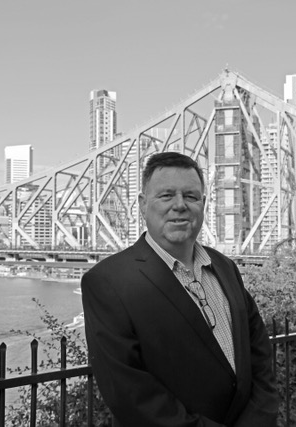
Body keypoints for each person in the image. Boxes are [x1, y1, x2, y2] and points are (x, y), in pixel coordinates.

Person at [81, 152, 279, 426]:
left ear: (203, 204)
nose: (179, 205)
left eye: (191, 196)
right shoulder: (108, 281)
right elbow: (130, 394)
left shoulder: (225, 267)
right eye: (166, 196)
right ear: (142, 204)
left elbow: (259, 354)